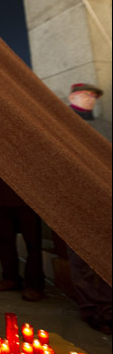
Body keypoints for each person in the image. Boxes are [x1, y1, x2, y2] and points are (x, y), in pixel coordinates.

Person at [66, 82, 112, 334]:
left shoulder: (104, 126)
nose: (91, 98)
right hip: (76, 196)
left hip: (104, 195)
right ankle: (90, 307)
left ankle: (108, 307)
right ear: (73, 96)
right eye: (86, 94)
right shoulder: (61, 122)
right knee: (81, 255)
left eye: (94, 96)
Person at [0, 160, 45, 301]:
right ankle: (10, 277)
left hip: (27, 197)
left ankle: (34, 285)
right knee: (4, 240)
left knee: (32, 243)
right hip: (0, 197)